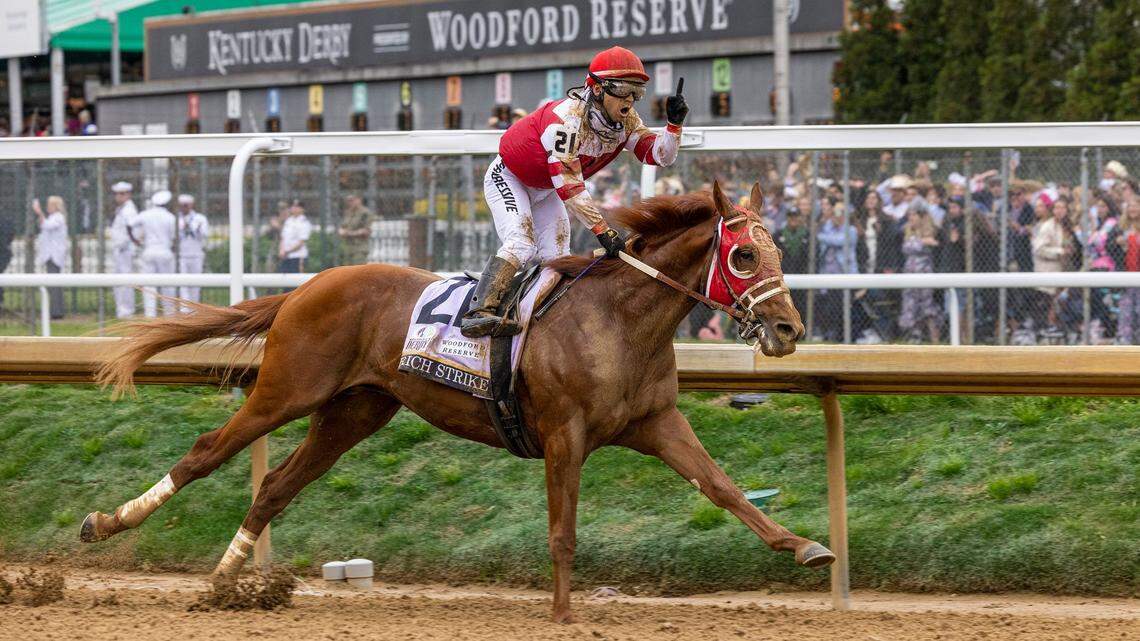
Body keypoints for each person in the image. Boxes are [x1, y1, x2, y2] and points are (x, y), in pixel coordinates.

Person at [461, 46, 688, 338]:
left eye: (637, 92)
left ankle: (536, 323)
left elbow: (659, 156)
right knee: (521, 243)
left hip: (546, 190)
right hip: (510, 177)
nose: (630, 101)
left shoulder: (627, 122)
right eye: (621, 89)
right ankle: (478, 312)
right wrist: (603, 231)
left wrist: (673, 126)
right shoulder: (566, 120)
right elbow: (569, 185)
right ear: (595, 88)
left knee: (557, 258)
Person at [898, 202, 942, 343]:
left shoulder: (930, 230)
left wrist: (922, 241)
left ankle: (935, 338)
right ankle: (915, 335)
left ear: (922, 216)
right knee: (910, 304)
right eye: (909, 215)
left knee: (926, 306)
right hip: (909, 272)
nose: (911, 218)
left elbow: (933, 243)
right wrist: (921, 241)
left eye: (914, 215)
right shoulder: (908, 231)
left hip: (924, 271)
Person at [134, 190, 177, 318]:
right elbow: (174, 236)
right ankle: (169, 314)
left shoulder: (145, 214)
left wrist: (135, 240)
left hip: (149, 251)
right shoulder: (170, 217)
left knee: (148, 284)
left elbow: (130, 224)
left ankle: (150, 314)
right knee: (168, 284)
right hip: (165, 251)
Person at [33, 196, 68, 319]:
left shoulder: (59, 217)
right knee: (52, 285)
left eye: (50, 205)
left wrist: (39, 212)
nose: (48, 207)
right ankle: (54, 310)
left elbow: (47, 225)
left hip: (54, 255)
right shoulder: (53, 217)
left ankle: (57, 312)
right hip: (50, 255)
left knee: (55, 284)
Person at [109, 181, 139, 318]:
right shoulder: (122, 209)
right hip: (119, 250)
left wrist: (125, 245)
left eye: (122, 194)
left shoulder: (129, 210)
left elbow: (132, 231)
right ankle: (121, 309)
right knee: (119, 281)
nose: (118, 197)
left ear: (128, 194)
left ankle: (127, 310)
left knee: (126, 281)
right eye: (117, 194)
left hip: (125, 250)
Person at [176, 194, 209, 308]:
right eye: (182, 205)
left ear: (191, 205)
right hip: (182, 255)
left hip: (196, 254)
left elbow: (205, 234)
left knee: (196, 283)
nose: (184, 207)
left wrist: (197, 229)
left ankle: (194, 307)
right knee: (183, 283)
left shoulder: (200, 218)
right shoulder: (177, 219)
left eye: (187, 205)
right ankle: (184, 309)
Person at [279, 200, 313, 276]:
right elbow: (283, 238)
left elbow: (301, 242)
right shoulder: (288, 221)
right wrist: (281, 250)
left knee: (296, 282)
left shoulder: (304, 222)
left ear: (302, 209)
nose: (294, 208)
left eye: (297, 207)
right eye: (293, 206)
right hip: (286, 256)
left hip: (298, 256)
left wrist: (287, 251)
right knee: (285, 282)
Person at [338, 194, 374, 265]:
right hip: (348, 247)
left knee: (358, 270)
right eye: (348, 201)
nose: (350, 203)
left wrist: (349, 233)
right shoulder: (348, 212)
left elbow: (366, 231)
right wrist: (341, 231)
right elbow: (343, 227)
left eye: (352, 200)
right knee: (347, 271)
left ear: (359, 200)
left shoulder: (365, 213)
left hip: (359, 247)